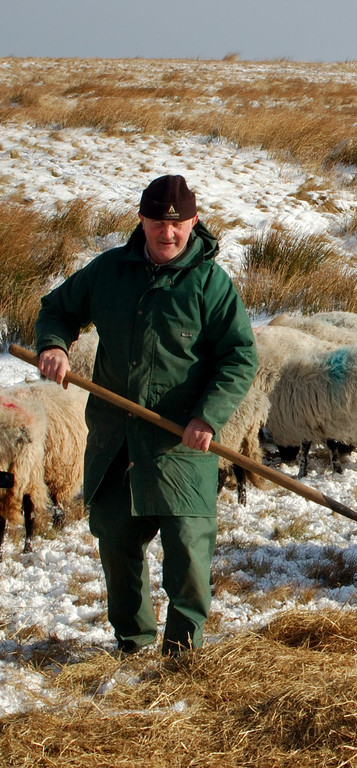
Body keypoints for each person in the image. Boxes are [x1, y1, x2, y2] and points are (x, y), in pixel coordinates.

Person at [35, 175, 257, 656]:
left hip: (181, 441)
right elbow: (57, 309)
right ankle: (133, 644)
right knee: (117, 544)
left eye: (178, 225)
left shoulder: (210, 284)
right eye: (158, 223)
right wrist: (54, 345)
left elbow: (239, 356)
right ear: (142, 220)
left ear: (194, 223)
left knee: (188, 552)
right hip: (117, 439)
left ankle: (182, 653)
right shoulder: (109, 272)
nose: (168, 234)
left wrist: (208, 416)